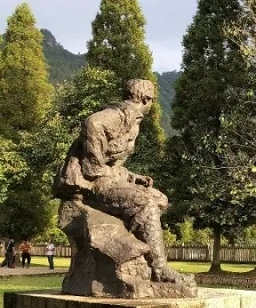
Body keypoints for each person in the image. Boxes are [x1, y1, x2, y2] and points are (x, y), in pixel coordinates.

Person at [53, 79, 185, 284]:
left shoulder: (133, 121)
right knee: (145, 202)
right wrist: (104, 169)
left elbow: (112, 164)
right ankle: (159, 268)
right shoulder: (115, 116)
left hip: (107, 177)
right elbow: (92, 135)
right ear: (145, 99)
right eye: (152, 100)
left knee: (160, 199)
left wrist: (132, 177)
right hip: (92, 184)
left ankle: (134, 252)